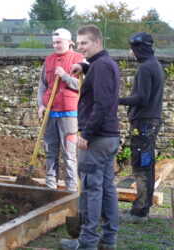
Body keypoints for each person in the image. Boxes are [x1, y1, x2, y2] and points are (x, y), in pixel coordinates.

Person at [59, 25, 121, 250]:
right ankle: (109, 239)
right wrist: (83, 65)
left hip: (97, 138)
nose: (80, 47)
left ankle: (87, 242)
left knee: (90, 190)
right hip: (108, 138)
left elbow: (102, 103)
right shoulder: (103, 64)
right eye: (79, 43)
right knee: (106, 188)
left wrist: (87, 133)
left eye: (84, 43)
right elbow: (95, 73)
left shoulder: (101, 66)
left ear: (97, 42)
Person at [119, 32, 165, 223]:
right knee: (146, 165)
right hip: (149, 123)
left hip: (144, 124)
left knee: (142, 166)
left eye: (133, 49)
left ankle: (139, 213)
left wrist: (118, 100)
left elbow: (142, 98)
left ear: (140, 49)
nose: (131, 54)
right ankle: (142, 208)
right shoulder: (155, 65)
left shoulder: (146, 68)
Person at [37, 28, 84, 191]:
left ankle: (71, 188)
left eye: (59, 42)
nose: (56, 46)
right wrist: (41, 105)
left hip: (69, 113)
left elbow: (84, 87)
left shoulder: (79, 60)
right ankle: (51, 185)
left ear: (69, 42)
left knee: (69, 153)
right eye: (54, 43)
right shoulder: (49, 60)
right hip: (50, 111)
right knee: (50, 150)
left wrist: (65, 76)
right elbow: (42, 86)